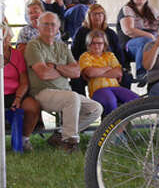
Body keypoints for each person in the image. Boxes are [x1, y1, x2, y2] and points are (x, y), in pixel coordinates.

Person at [26, 11, 102, 151]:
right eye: (46, 24)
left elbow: (77, 72)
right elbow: (43, 73)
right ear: (38, 26)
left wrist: (54, 67)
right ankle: (69, 142)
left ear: (58, 27)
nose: (50, 27)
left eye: (53, 24)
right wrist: (64, 70)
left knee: (96, 108)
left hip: (65, 93)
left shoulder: (62, 46)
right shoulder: (33, 45)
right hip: (42, 92)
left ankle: (60, 134)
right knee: (72, 98)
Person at [78, 30, 139, 117]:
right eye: (93, 43)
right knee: (110, 101)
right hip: (98, 90)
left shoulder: (110, 55)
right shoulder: (85, 56)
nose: (96, 46)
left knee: (135, 100)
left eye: (99, 43)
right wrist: (107, 68)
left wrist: (98, 72)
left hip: (115, 87)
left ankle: (121, 126)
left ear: (104, 44)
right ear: (88, 44)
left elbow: (118, 73)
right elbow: (90, 73)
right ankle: (111, 128)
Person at [119, 0, 159, 71]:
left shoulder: (152, 10)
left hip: (152, 41)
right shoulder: (127, 9)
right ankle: (141, 72)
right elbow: (128, 30)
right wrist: (151, 36)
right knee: (146, 41)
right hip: (130, 45)